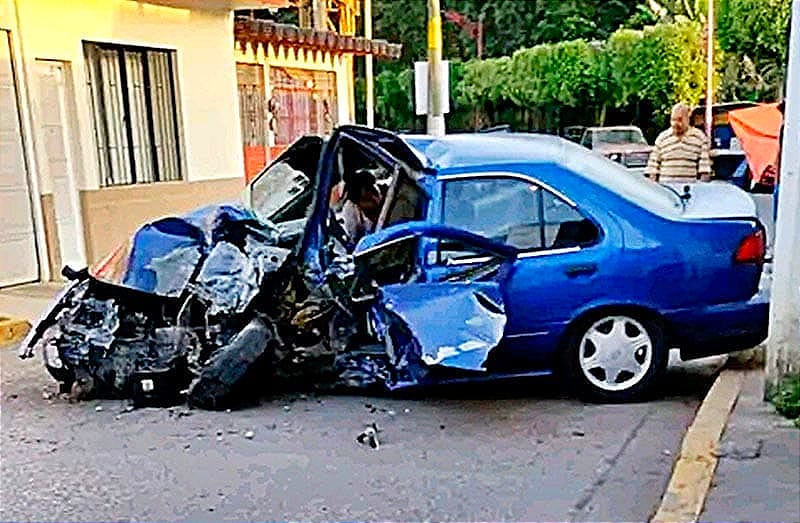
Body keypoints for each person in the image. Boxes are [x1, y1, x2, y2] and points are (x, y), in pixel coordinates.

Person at [645, 103, 713, 183]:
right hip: (665, 187)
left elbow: (705, 170)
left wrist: (702, 187)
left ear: (687, 119)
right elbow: (653, 168)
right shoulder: (662, 138)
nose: (676, 123)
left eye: (680, 119)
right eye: (673, 120)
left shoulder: (699, 138)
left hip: (689, 187)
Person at [340, 169, 382, 244]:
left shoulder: (378, 196)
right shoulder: (350, 208)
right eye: (367, 189)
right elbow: (354, 238)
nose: (370, 193)